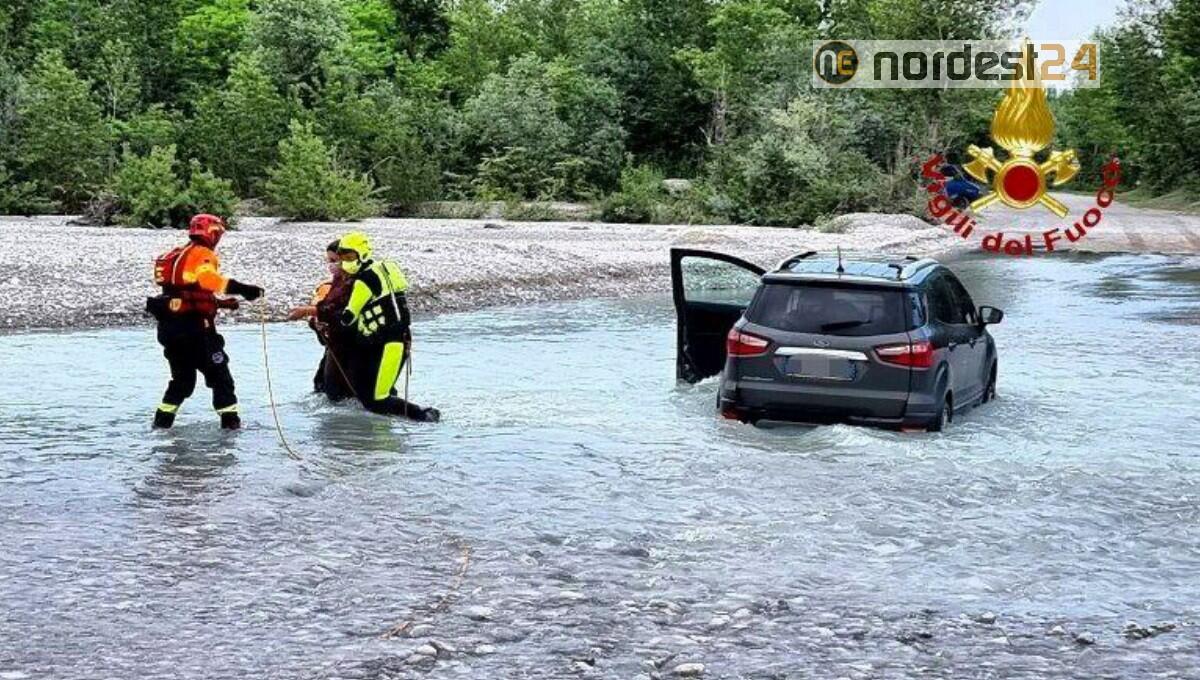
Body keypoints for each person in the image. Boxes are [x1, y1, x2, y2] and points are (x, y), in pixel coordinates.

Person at [146, 214, 265, 430]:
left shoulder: (176, 254)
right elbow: (209, 281)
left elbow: (185, 293)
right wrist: (246, 290)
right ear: (213, 233)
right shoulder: (203, 255)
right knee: (221, 377)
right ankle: (231, 429)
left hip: (169, 329)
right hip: (196, 331)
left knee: (181, 382)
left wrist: (220, 304)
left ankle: (161, 426)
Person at [335, 232, 440, 422]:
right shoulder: (386, 270)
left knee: (377, 400)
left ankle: (423, 415)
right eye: (342, 257)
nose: (345, 262)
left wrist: (328, 318)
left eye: (350, 257)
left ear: (362, 254)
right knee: (373, 394)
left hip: (389, 343)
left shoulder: (364, 280)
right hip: (393, 340)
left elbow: (349, 317)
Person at [288, 240, 354, 399]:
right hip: (335, 344)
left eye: (334, 261)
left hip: (351, 345)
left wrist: (307, 311)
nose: (331, 266)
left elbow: (339, 312)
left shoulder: (357, 284)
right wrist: (315, 320)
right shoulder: (328, 286)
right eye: (329, 261)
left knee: (332, 389)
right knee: (321, 385)